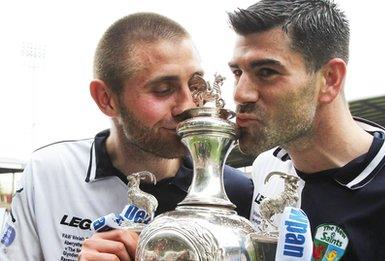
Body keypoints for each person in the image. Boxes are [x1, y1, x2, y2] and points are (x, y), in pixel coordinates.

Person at [0, 12, 253, 261]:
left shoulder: (236, 191)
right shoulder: (50, 173)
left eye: (195, 85)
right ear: (106, 99)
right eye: (164, 89)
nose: (187, 106)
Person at [228, 0, 385, 260]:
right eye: (237, 72)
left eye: (266, 72)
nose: (240, 93)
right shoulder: (267, 166)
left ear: (330, 79)